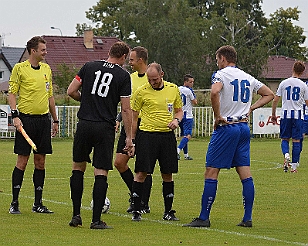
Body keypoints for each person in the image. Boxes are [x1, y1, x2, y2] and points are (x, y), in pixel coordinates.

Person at [183, 45, 274, 228]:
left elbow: (215, 92)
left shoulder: (221, 74)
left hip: (227, 127)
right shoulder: (247, 77)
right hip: (243, 128)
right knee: (245, 172)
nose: (217, 63)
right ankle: (247, 218)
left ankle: (203, 217)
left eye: (217, 60)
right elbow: (269, 94)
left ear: (223, 59)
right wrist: (251, 108)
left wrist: (217, 116)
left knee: (211, 171)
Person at [67, 41, 134, 229]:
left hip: (84, 124)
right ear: (123, 57)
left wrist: (86, 99)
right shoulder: (123, 75)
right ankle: (96, 220)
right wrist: (129, 137)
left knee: (78, 168)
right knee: (100, 171)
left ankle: (75, 215)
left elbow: (71, 90)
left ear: (109, 52)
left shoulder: (89, 66)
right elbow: (126, 109)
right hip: (104, 127)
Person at [8, 36, 58, 214]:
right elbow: (12, 94)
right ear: (33, 51)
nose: (46, 52)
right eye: (43, 49)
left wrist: (55, 119)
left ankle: (38, 203)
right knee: (22, 161)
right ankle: (14, 202)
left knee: (40, 162)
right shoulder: (19, 68)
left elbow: (50, 96)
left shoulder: (46, 68)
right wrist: (15, 116)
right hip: (26, 121)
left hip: (43, 121)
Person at [130, 62, 183, 221]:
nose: (152, 82)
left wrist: (176, 120)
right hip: (146, 136)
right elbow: (134, 116)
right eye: (149, 79)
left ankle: (168, 211)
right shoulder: (141, 92)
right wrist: (131, 139)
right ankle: (137, 210)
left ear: (162, 74)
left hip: (167, 137)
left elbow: (179, 111)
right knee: (141, 173)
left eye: (155, 79)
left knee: (168, 173)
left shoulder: (173, 89)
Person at [114, 46, 152, 214]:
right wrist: (118, 119)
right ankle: (136, 195)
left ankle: (143, 202)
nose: (129, 62)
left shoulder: (152, 77)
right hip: (129, 125)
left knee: (143, 167)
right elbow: (126, 104)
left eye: (131, 59)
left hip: (146, 127)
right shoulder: (129, 78)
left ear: (140, 60)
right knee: (119, 163)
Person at [272, 61, 308, 173]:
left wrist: (273, 114)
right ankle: (294, 167)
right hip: (298, 116)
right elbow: (307, 102)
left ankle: (286, 154)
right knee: (296, 140)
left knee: (284, 138)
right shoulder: (303, 85)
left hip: (285, 115)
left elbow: (275, 100)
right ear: (302, 72)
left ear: (292, 69)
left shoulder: (284, 83)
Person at [177, 74, 198, 160]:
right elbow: (195, 102)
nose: (192, 83)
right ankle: (177, 150)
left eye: (192, 82)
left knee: (184, 136)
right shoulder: (189, 91)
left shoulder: (177, 89)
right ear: (185, 82)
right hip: (187, 115)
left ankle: (186, 155)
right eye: (190, 82)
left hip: (179, 114)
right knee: (188, 135)